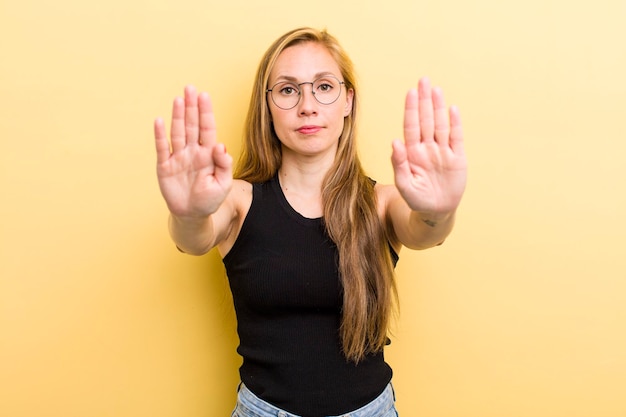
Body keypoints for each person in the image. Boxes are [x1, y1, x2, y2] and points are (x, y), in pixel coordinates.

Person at [154, 27, 467, 417]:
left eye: (323, 87)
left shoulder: (382, 203)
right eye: (287, 90)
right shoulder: (236, 200)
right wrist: (188, 213)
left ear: (348, 100)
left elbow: (424, 232)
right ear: (267, 106)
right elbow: (194, 238)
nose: (307, 105)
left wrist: (438, 211)